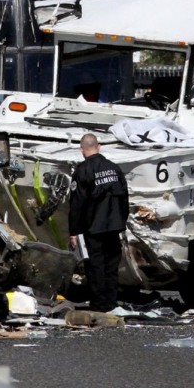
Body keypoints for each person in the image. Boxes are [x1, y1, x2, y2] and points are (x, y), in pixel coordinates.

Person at [68, 133, 130, 314]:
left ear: (82, 150)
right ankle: (111, 303)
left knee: (95, 268)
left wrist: (74, 231)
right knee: (111, 267)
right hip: (114, 227)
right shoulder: (114, 168)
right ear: (99, 146)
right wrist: (121, 222)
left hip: (93, 228)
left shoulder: (82, 171)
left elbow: (77, 204)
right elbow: (125, 199)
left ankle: (99, 305)